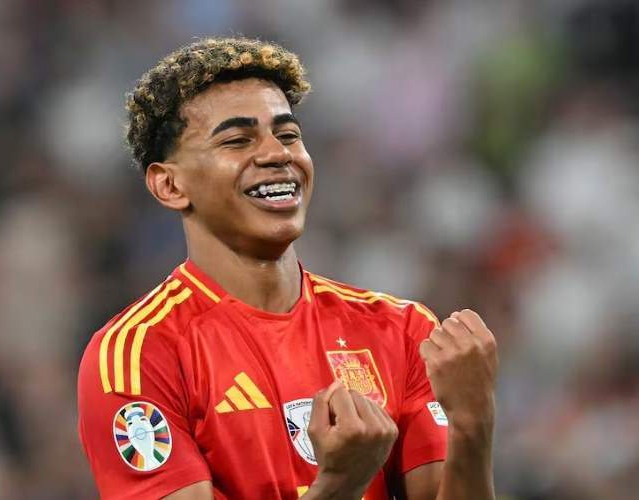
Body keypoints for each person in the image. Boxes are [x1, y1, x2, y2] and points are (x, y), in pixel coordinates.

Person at [76, 37, 498, 500]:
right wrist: (339, 484)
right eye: (237, 140)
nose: (277, 153)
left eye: (288, 134)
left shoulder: (399, 330)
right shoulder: (138, 355)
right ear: (170, 185)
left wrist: (472, 425)